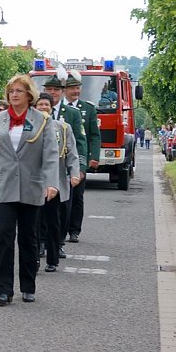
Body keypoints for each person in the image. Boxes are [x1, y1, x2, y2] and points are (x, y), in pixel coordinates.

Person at [0, 75, 58, 305]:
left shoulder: (42, 120)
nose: (14, 95)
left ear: (29, 95)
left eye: (19, 91)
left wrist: (51, 183)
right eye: (11, 91)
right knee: (4, 235)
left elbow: (50, 154)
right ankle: (3, 289)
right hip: (4, 186)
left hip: (31, 186)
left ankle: (28, 285)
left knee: (28, 237)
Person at [42, 68, 86, 258]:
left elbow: (79, 143)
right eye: (49, 89)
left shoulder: (72, 114)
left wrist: (79, 168)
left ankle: (58, 243)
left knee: (63, 209)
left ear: (62, 91)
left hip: (62, 170)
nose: (52, 93)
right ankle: (42, 243)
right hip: (40, 171)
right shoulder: (34, 113)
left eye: (56, 90)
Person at [34, 93, 80, 272]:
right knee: (34, 221)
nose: (43, 108)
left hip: (55, 180)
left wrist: (74, 173)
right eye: (40, 105)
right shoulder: (28, 127)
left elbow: (72, 153)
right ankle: (35, 255)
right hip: (33, 181)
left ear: (52, 108)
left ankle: (52, 259)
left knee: (53, 220)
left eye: (46, 105)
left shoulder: (62, 127)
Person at [62, 70, 100, 244]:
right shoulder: (57, 108)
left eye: (78, 88)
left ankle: (74, 230)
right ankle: (59, 230)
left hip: (78, 160)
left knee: (77, 197)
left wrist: (92, 157)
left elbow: (93, 136)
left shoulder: (88, 109)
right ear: (64, 90)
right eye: (72, 88)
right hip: (60, 160)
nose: (76, 91)